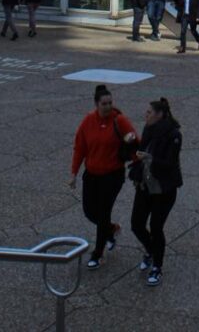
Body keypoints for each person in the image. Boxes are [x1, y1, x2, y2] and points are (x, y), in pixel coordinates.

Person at [70, 84, 138, 269]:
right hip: (91, 175)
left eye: (110, 103)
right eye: (104, 103)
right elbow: (80, 148)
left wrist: (133, 147)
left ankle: (97, 254)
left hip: (112, 176)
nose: (107, 106)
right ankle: (111, 230)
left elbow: (134, 141)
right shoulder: (88, 121)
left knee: (102, 213)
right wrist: (74, 172)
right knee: (89, 211)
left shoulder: (120, 121)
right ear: (96, 104)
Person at [130, 97, 183, 287]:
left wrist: (150, 159)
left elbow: (170, 164)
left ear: (160, 115)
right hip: (145, 185)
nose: (146, 115)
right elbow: (140, 152)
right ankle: (151, 250)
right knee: (136, 224)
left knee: (156, 227)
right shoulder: (148, 129)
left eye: (149, 112)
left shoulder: (174, 134)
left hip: (163, 189)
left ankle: (157, 267)